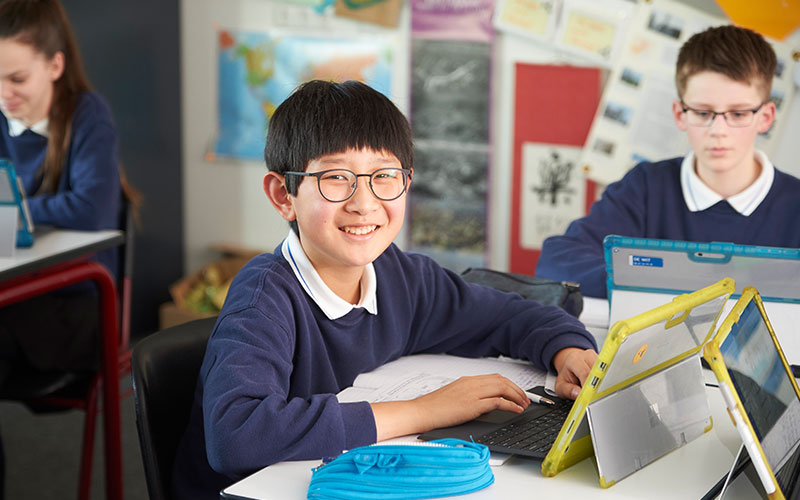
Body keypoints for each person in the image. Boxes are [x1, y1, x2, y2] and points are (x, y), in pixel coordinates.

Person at [172, 80, 599, 498]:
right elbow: (237, 436)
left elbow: (510, 314)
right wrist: (426, 410)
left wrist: (568, 351)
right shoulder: (265, 296)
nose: (364, 202)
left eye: (384, 175)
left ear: (406, 182)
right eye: (336, 177)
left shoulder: (397, 276)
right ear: (284, 195)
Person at [536, 25, 800, 298]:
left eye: (739, 113)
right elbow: (559, 262)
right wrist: (667, 287)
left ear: (766, 117)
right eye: (702, 112)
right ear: (680, 113)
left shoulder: (795, 205)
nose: (719, 130)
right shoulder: (645, 188)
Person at [0, 1, 138, 493]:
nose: (4, 94)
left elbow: (92, 210)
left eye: (16, 78)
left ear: (54, 66)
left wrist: (14, 214)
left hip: (78, 309)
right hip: (16, 300)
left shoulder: (86, 115)